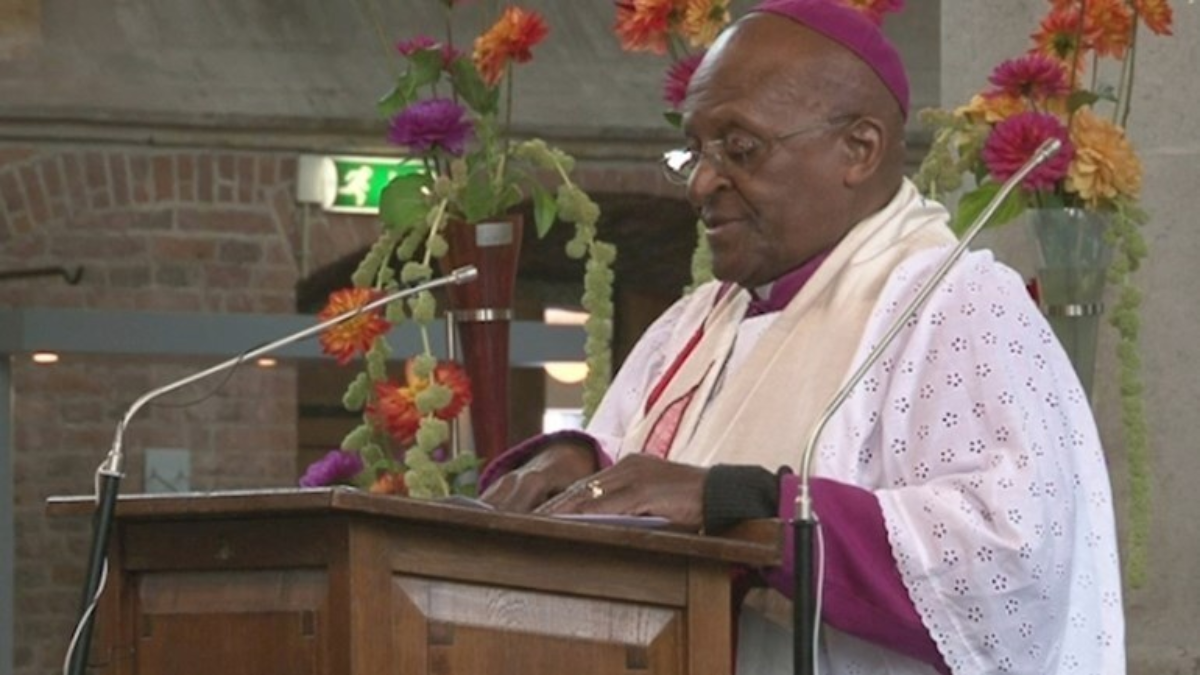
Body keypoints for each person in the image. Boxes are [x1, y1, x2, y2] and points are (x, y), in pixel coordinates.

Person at [479, 0, 1125, 673]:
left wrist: (743, 503)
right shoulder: (696, 323)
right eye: (695, 149)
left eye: (740, 148)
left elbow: (1006, 568)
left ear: (860, 149)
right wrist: (576, 463)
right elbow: (647, 472)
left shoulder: (957, 306)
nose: (702, 181)